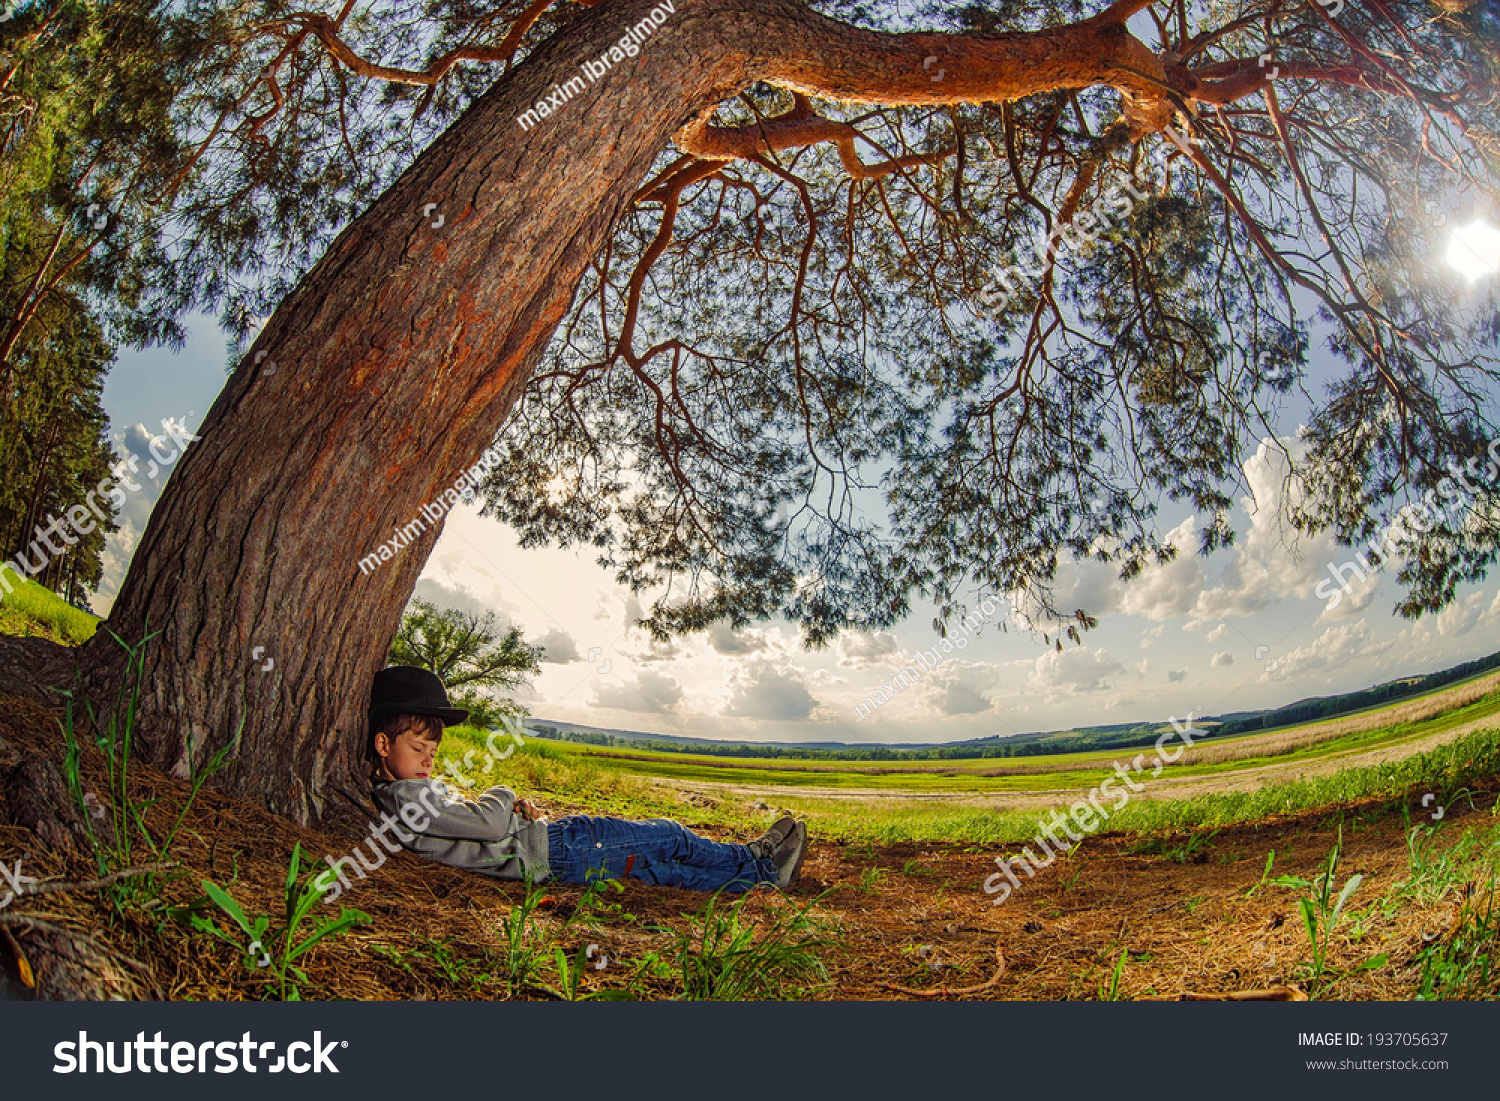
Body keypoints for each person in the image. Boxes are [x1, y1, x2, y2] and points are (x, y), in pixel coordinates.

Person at [365, 666, 809, 892]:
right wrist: (503, 793)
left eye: (433, 752)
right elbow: (487, 824)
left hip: (550, 852)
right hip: (557, 848)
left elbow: (475, 824)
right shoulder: (407, 798)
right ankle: (759, 863)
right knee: (668, 836)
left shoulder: (405, 795)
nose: (428, 761)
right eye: (418, 749)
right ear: (384, 745)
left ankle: (761, 869)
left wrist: (502, 809)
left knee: (659, 869)